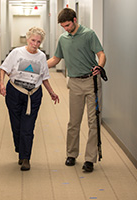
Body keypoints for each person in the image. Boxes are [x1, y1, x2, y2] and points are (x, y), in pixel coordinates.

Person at [47, 8, 106, 172]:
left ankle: (90, 159)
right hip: (74, 83)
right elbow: (56, 59)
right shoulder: (63, 39)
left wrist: (99, 67)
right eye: (63, 26)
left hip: (91, 81)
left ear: (74, 20)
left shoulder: (89, 34)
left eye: (67, 25)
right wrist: (38, 66)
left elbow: (101, 54)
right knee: (74, 121)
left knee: (94, 121)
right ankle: (71, 154)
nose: (65, 28)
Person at [0, 27, 59, 171]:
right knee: (16, 125)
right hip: (14, 92)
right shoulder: (16, 53)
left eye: (38, 42)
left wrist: (52, 92)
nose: (35, 44)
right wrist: (1, 83)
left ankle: (26, 158)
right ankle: (21, 151)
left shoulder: (41, 57)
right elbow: (4, 68)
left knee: (28, 127)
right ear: (28, 39)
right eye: (33, 40)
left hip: (33, 95)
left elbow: (44, 77)